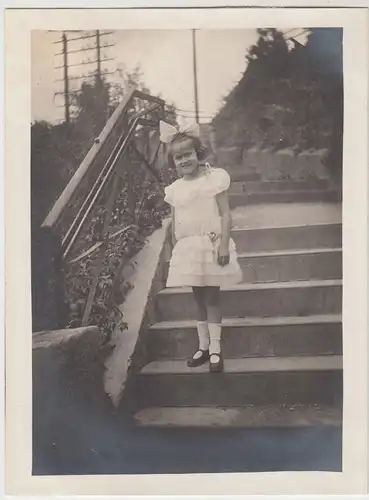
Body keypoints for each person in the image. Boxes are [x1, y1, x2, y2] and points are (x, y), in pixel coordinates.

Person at [160, 118, 243, 373]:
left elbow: (226, 214)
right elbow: (176, 220)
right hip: (189, 249)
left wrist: (224, 246)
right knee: (197, 299)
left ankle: (216, 349)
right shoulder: (175, 189)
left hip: (212, 243)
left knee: (212, 298)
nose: (184, 161)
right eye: (178, 158)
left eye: (188, 155)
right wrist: (174, 248)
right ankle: (203, 346)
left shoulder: (213, 178)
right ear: (173, 163)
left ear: (198, 154)